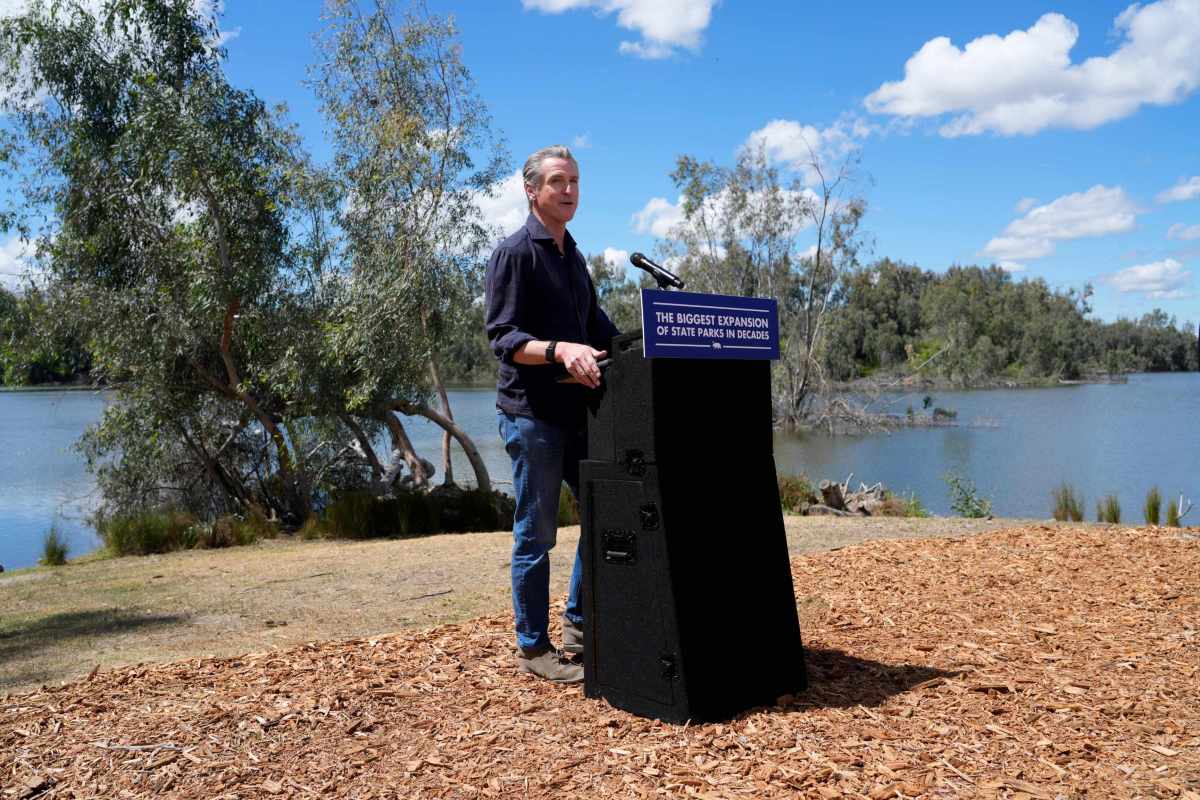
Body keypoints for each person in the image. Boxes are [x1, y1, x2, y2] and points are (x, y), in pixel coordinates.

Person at [484, 145, 620, 683]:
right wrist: (561, 350)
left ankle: (579, 627)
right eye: (558, 181)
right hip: (531, 415)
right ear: (532, 190)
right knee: (537, 535)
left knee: (604, 514)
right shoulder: (515, 253)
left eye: (575, 181)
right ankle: (533, 649)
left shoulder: (574, 256)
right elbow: (504, 338)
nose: (569, 191)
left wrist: (640, 346)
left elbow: (596, 325)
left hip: (577, 414)